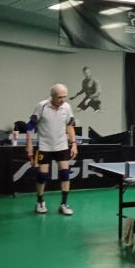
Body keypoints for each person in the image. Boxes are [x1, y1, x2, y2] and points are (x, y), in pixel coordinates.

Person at [26, 84, 78, 216]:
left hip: (61, 145)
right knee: (42, 175)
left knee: (65, 174)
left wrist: (74, 144)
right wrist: (29, 145)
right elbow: (30, 126)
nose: (62, 100)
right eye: (60, 97)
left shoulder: (67, 107)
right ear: (52, 96)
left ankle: (64, 204)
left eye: (64, 97)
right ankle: (40, 201)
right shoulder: (42, 106)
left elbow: (70, 126)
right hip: (45, 146)